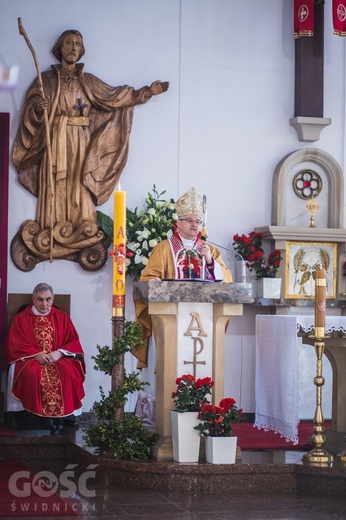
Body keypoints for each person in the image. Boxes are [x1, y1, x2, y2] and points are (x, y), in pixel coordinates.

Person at [12, 30, 169, 258]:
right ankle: (51, 233)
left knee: (79, 184)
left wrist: (146, 92)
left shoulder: (88, 81)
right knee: (55, 183)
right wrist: (38, 108)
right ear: (60, 48)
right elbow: (32, 109)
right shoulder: (45, 80)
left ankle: (81, 231)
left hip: (81, 144)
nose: (74, 48)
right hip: (56, 141)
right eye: (69, 43)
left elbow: (115, 97)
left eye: (78, 44)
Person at [134, 187, 233, 367]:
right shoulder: (163, 248)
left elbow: (226, 281)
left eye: (197, 221)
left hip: (203, 320)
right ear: (178, 223)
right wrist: (153, 283)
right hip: (170, 317)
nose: (194, 224)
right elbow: (147, 277)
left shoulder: (210, 250)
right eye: (189, 220)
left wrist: (210, 261)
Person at [2, 283, 85, 434]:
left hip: (58, 358)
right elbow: (14, 343)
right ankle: (41, 418)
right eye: (40, 299)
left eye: (48, 299)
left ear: (53, 299)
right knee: (32, 374)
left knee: (68, 374)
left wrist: (58, 353)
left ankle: (62, 418)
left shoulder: (62, 317)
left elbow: (73, 341)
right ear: (33, 299)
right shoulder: (21, 318)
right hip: (31, 359)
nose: (44, 304)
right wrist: (36, 354)